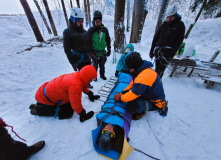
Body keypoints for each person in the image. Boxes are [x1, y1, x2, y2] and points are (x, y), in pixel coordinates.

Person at [29, 65, 100, 122]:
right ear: (87, 78)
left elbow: (82, 85)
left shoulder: (78, 76)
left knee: (68, 104)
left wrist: (90, 93)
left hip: (45, 92)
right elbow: (76, 104)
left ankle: (40, 104)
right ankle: (37, 110)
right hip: (46, 97)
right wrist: (82, 114)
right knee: (68, 113)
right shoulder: (76, 85)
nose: (91, 81)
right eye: (91, 79)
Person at [114, 52, 168, 120]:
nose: (130, 70)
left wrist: (120, 98)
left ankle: (143, 111)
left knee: (131, 105)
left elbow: (133, 93)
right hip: (147, 94)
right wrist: (123, 92)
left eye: (130, 68)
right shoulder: (141, 70)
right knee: (128, 97)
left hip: (155, 102)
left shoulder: (144, 77)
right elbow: (132, 85)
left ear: (135, 66)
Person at [149, 5, 185, 78]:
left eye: (170, 18)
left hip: (167, 52)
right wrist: (152, 50)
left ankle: (157, 84)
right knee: (157, 68)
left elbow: (179, 41)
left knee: (161, 70)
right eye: (167, 17)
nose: (168, 19)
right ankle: (154, 83)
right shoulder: (164, 25)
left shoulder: (180, 25)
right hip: (158, 50)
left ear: (174, 16)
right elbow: (156, 37)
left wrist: (172, 53)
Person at [63, 7, 94, 72]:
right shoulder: (67, 32)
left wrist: (93, 55)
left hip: (87, 58)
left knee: (88, 77)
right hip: (79, 61)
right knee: (83, 79)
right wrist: (73, 63)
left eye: (82, 21)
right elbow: (67, 50)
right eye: (79, 21)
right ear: (73, 20)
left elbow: (89, 45)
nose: (81, 23)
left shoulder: (84, 32)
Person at [88, 10, 111, 81]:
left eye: (99, 22)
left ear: (101, 21)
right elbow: (88, 42)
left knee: (102, 65)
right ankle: (94, 76)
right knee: (95, 65)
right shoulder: (91, 30)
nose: (98, 23)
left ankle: (102, 75)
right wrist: (91, 53)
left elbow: (108, 40)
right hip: (94, 51)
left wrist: (109, 49)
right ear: (94, 22)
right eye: (96, 22)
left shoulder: (105, 30)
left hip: (102, 51)